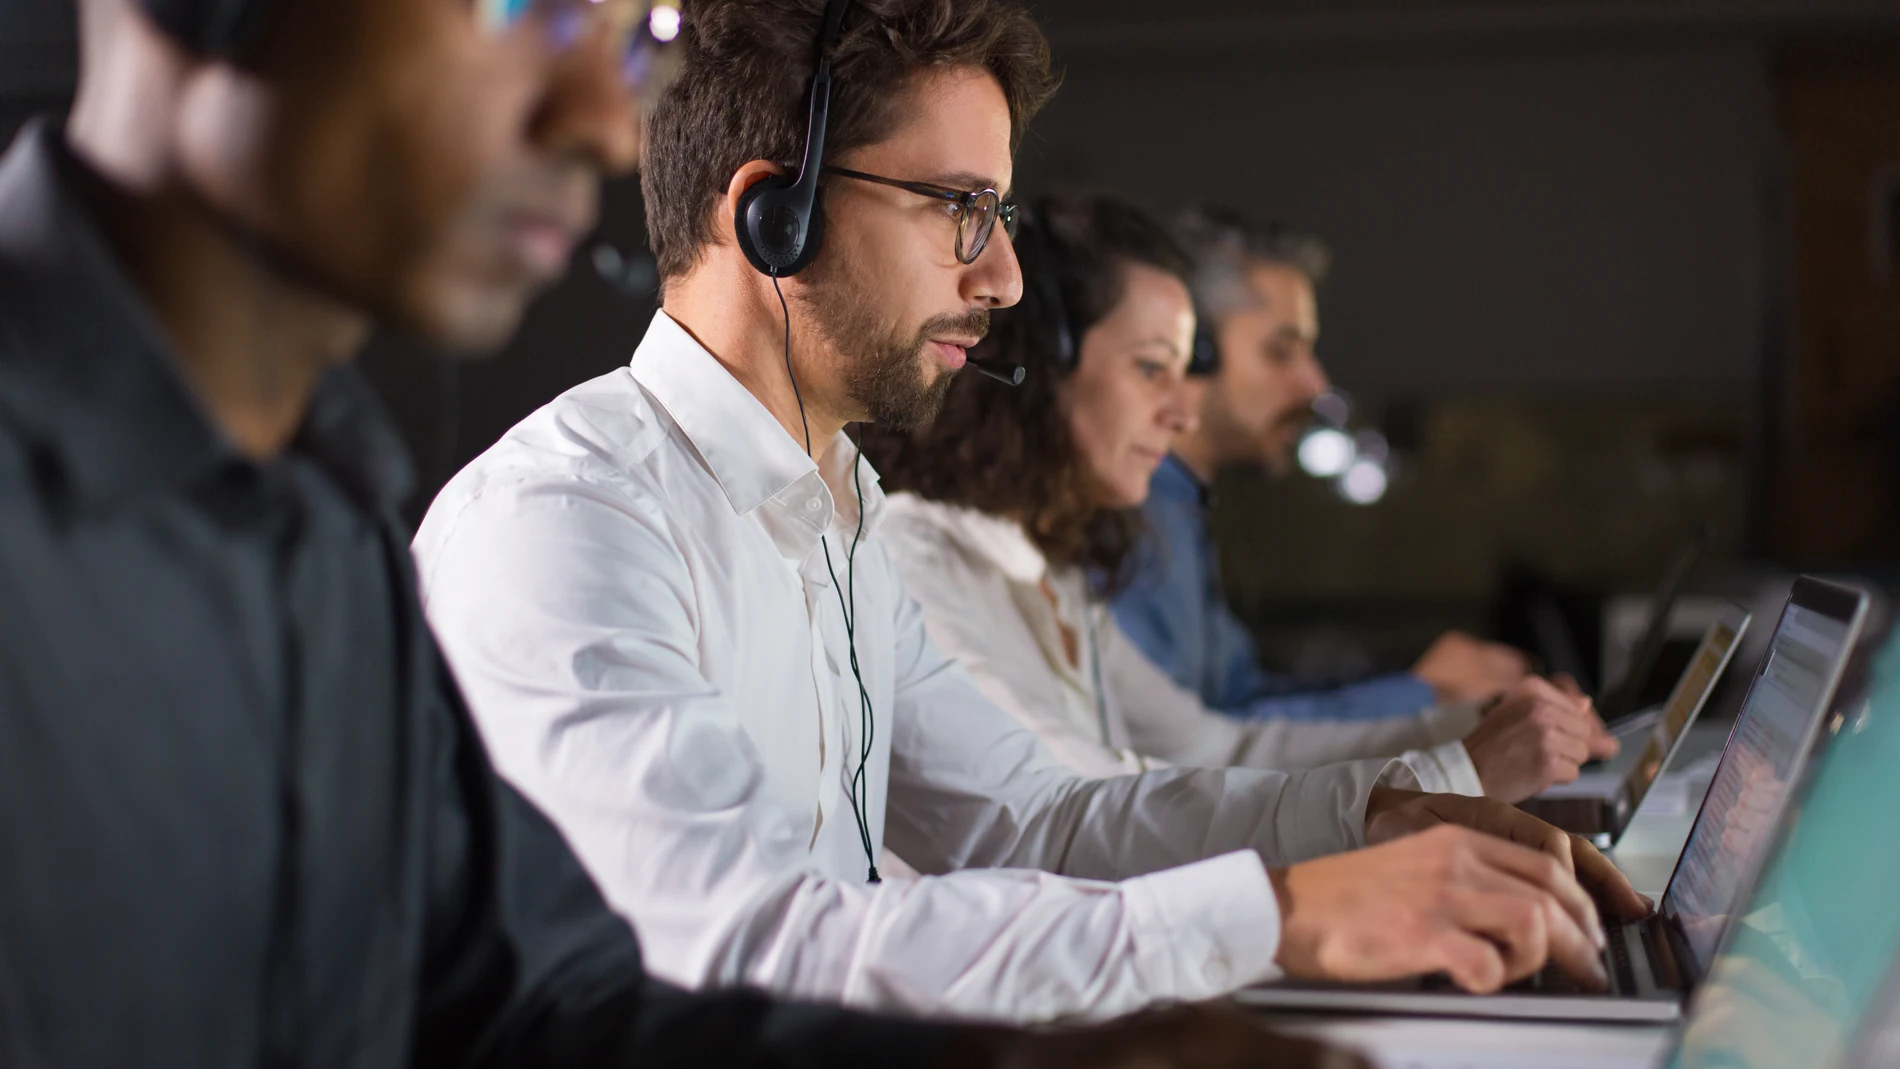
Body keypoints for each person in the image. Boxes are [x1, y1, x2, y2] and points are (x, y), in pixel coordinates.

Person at [0, 0, 1364, 1064]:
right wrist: (1266, 917)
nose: (605, 124)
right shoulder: (545, 521)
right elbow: (715, 949)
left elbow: (542, 1014)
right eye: (519, 13)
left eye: (616, 36)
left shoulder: (320, 532)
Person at [413, 0, 1649, 1028]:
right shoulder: (568, 524)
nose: (1000, 278)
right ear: (770, 219)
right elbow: (741, 945)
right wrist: (1286, 917)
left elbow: (1035, 816)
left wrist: (1374, 815)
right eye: (959, 208)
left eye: (997, 218)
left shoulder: (835, 514)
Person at [863, 192, 1617, 804]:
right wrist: (1449, 770)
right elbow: (1074, 812)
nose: (1183, 411)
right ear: (1041, 367)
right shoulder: (917, 561)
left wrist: (1466, 728)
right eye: (1153, 369)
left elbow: (1218, 748)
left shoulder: (1048, 570)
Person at [1111, 206, 1532, 722]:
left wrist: (1422, 685)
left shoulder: (1179, 509)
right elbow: (1183, 748)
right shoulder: (1129, 513)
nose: (1314, 383)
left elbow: (1238, 701)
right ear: (1191, 349)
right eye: (1281, 351)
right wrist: (1421, 695)